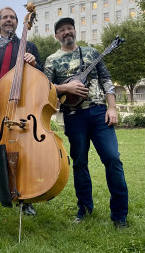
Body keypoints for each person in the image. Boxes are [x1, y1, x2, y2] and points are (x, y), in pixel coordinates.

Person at [44, 17, 128, 228]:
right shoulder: (52, 60)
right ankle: (84, 210)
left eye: (69, 28)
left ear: (75, 31)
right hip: (73, 117)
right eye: (61, 30)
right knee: (80, 164)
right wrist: (66, 88)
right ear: (56, 36)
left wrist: (112, 107)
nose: (66, 32)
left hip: (99, 113)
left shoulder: (91, 53)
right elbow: (45, 87)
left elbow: (106, 80)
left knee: (112, 159)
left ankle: (119, 216)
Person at [0, 7, 43, 220]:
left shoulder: (28, 46)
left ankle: (26, 201)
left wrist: (35, 63)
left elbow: (41, 79)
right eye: (5, 17)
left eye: (12, 17)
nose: (9, 20)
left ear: (17, 22)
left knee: (23, 156)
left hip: (22, 111)